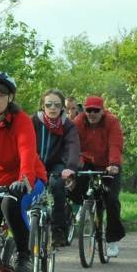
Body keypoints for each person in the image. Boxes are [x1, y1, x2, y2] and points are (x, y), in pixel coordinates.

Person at [0, 72, 46, 272]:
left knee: (10, 205)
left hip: (27, 180)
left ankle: (24, 256)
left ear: (10, 98)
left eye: (0, 94)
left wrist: (24, 179)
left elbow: (27, 151)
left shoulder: (21, 121)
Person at [72, 96, 126, 256]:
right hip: (87, 160)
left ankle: (112, 241)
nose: (92, 114)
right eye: (89, 110)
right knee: (75, 181)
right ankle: (82, 206)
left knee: (111, 200)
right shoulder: (78, 122)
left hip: (109, 164)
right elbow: (74, 144)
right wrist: (77, 160)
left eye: (96, 111)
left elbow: (115, 144)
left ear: (102, 111)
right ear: (85, 110)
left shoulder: (112, 122)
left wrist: (114, 164)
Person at [31, 89, 79, 246]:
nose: (53, 108)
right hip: (34, 163)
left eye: (57, 105)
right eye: (48, 104)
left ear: (62, 108)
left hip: (56, 164)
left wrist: (70, 167)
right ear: (42, 106)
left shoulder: (68, 126)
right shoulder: (33, 122)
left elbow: (73, 146)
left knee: (57, 185)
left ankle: (58, 230)